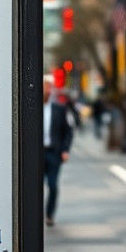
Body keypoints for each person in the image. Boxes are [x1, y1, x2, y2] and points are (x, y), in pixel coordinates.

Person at [43, 80, 73, 227]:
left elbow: (68, 131)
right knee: (33, 187)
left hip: (53, 152)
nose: (47, 90)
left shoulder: (59, 109)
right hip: (35, 154)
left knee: (53, 185)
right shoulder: (30, 108)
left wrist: (65, 150)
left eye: (49, 87)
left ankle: (49, 214)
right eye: (45, 87)